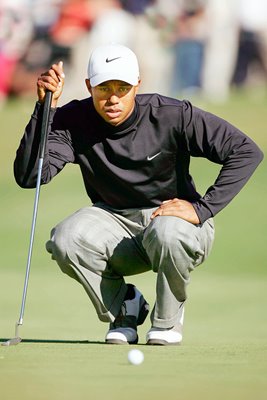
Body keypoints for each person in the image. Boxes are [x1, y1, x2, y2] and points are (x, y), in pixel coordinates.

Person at [14, 43, 263, 345]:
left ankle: (167, 322)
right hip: (114, 225)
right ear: (89, 86)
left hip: (176, 226)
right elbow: (31, 177)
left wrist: (202, 209)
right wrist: (44, 111)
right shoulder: (72, 120)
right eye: (104, 88)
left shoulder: (170, 114)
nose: (114, 98)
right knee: (64, 240)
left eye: (123, 87)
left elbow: (245, 151)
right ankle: (125, 307)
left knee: (168, 231)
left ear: (138, 85)